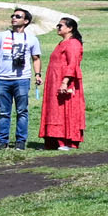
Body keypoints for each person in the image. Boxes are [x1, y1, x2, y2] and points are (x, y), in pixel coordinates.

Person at [0, 6, 43, 149]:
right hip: (3, 79)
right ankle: (2, 141)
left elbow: (36, 59)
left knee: (22, 111)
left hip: (22, 79)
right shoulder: (2, 35)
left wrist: (37, 75)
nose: (14, 18)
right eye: (13, 16)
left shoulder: (32, 39)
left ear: (26, 21)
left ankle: (20, 141)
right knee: (3, 112)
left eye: (18, 16)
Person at [40, 17, 87, 149]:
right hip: (54, 82)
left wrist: (65, 82)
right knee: (55, 110)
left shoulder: (73, 43)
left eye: (60, 25)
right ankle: (54, 141)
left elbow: (73, 64)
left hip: (65, 82)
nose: (58, 28)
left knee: (65, 110)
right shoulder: (62, 43)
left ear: (70, 28)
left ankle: (66, 141)